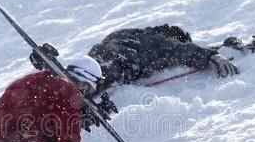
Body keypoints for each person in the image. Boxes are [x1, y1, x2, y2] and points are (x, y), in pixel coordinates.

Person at [88, 24, 238, 93]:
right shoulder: (158, 43)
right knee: (88, 89)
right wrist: (212, 55)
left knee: (81, 84)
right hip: (115, 66)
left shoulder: (129, 34)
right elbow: (179, 50)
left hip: (95, 60)